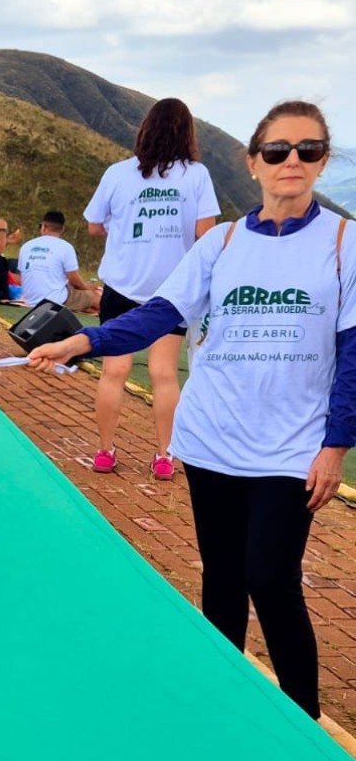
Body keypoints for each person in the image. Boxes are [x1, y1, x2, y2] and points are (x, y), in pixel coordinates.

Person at [28, 100, 352, 720]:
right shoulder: (223, 243)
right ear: (252, 162)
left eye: (308, 151)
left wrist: (335, 446)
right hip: (212, 438)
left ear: (322, 161)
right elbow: (160, 313)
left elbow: (353, 351)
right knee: (222, 580)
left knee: (271, 579)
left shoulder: (343, 243)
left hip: (292, 446)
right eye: (278, 151)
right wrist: (85, 339)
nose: (293, 162)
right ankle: (221, 704)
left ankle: (303, 722)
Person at [83, 97, 221, 478]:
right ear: (187, 134)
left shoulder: (118, 173)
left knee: (115, 371)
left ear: (145, 130)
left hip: (122, 286)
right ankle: (164, 457)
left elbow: (94, 225)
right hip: (172, 292)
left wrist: (123, 228)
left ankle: (105, 451)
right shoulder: (196, 176)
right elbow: (205, 235)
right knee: (164, 374)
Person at [17, 212, 99, 311]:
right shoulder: (66, 247)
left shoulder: (26, 246)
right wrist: (88, 288)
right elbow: (75, 281)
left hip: (30, 300)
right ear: (63, 229)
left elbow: (24, 276)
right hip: (55, 301)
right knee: (95, 298)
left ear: (43, 227)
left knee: (80, 300)